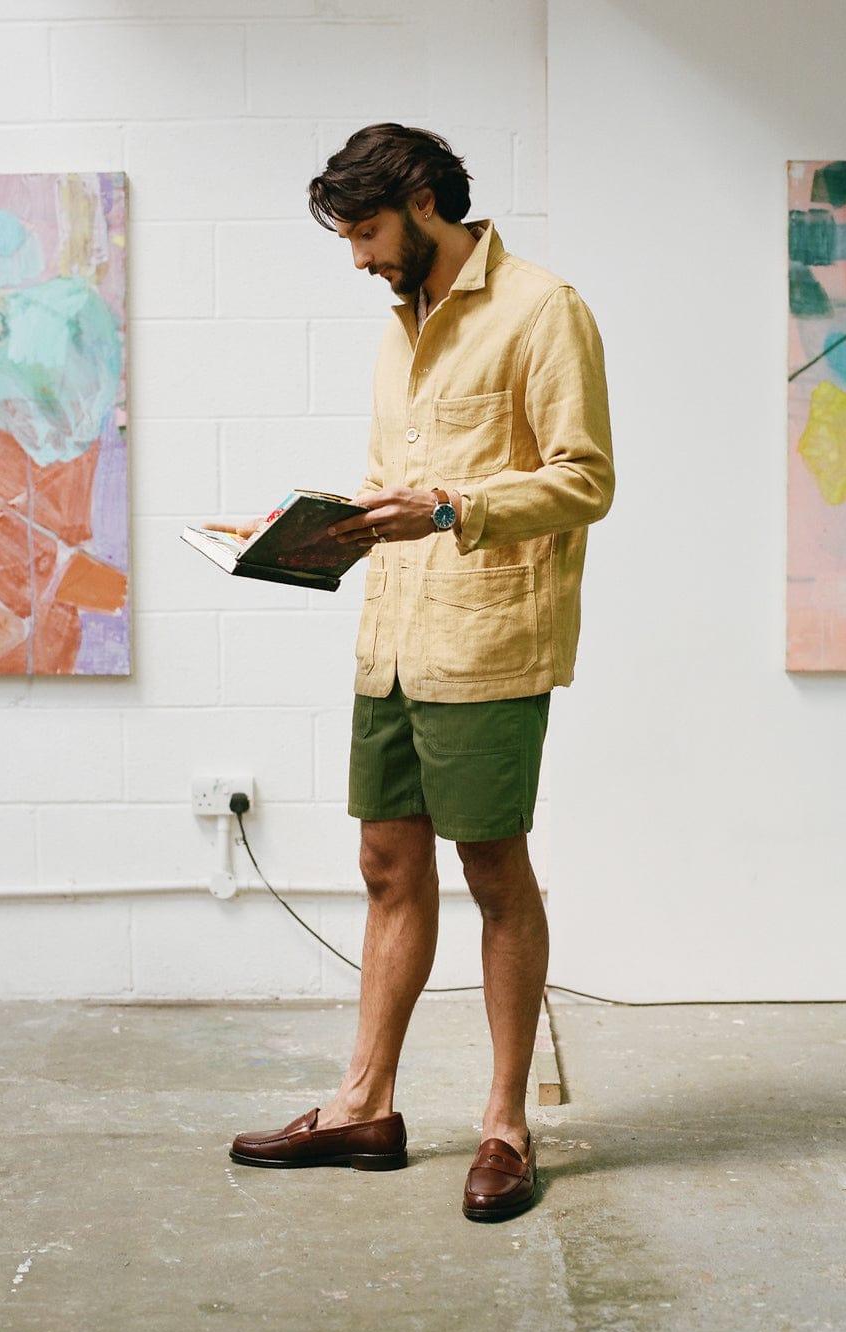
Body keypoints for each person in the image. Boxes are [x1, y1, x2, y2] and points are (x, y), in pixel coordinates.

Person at [223, 124, 614, 1222]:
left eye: (365, 232)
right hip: (391, 639)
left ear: (426, 199)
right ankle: (364, 1105)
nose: (355, 258)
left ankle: (503, 1125)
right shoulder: (399, 328)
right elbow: (395, 484)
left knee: (493, 870)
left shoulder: (544, 309)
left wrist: (452, 509)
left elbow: (585, 480)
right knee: (387, 866)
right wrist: (308, 533)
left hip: (487, 640)